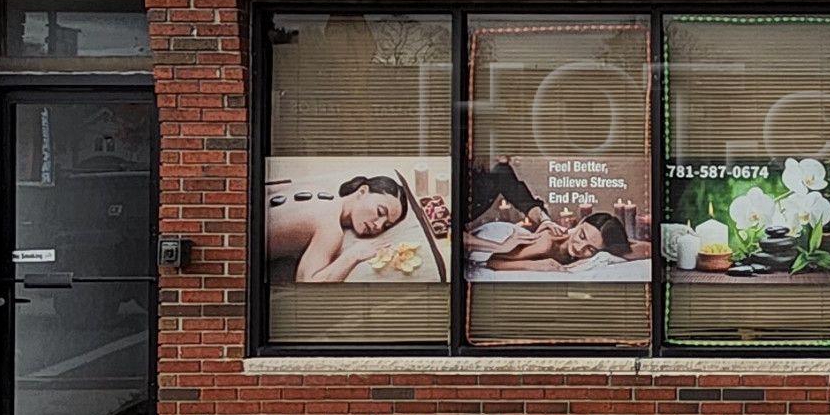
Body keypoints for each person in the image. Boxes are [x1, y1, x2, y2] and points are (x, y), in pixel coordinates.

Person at [266, 172, 437, 283]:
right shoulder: (330, 229)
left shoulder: (317, 191)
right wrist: (352, 256)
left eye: (386, 225)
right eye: (380, 211)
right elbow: (307, 282)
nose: (378, 225)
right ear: (362, 191)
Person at [476, 210, 633, 271]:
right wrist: (533, 265)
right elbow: (492, 262)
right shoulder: (547, 243)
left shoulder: (577, 251)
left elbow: (635, 249)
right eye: (582, 236)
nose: (579, 248)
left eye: (590, 249)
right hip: (495, 238)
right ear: (580, 222)